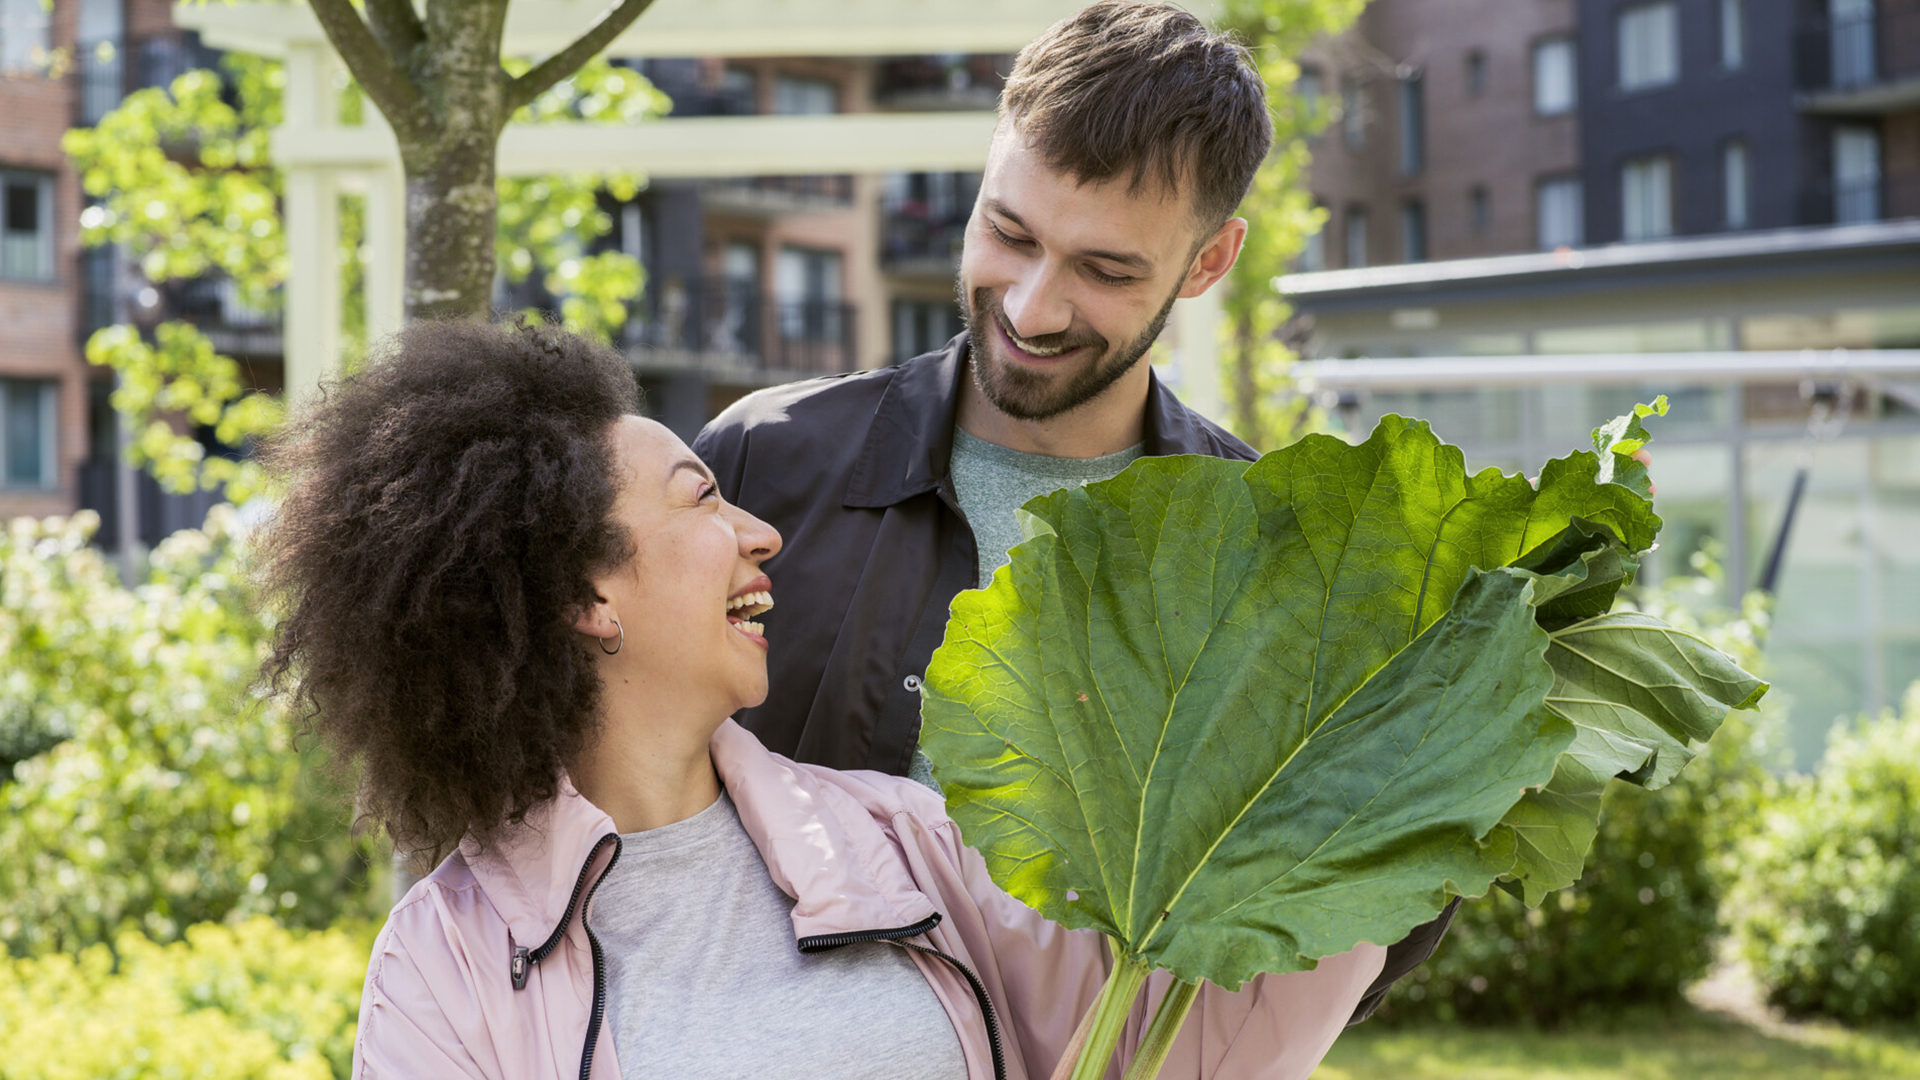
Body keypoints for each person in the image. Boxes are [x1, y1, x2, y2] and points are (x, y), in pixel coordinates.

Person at [258, 319, 1387, 1080]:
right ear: (584, 595)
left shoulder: (905, 840)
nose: (761, 532)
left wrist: (1347, 733)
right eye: (701, 500)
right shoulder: (446, 962)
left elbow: (1180, 1039)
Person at [693, 0, 1451, 1024]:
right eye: (1009, 233)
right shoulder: (761, 462)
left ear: (1210, 262)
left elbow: (1362, 910)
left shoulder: (1282, 557)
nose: (1032, 307)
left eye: (1105, 270)